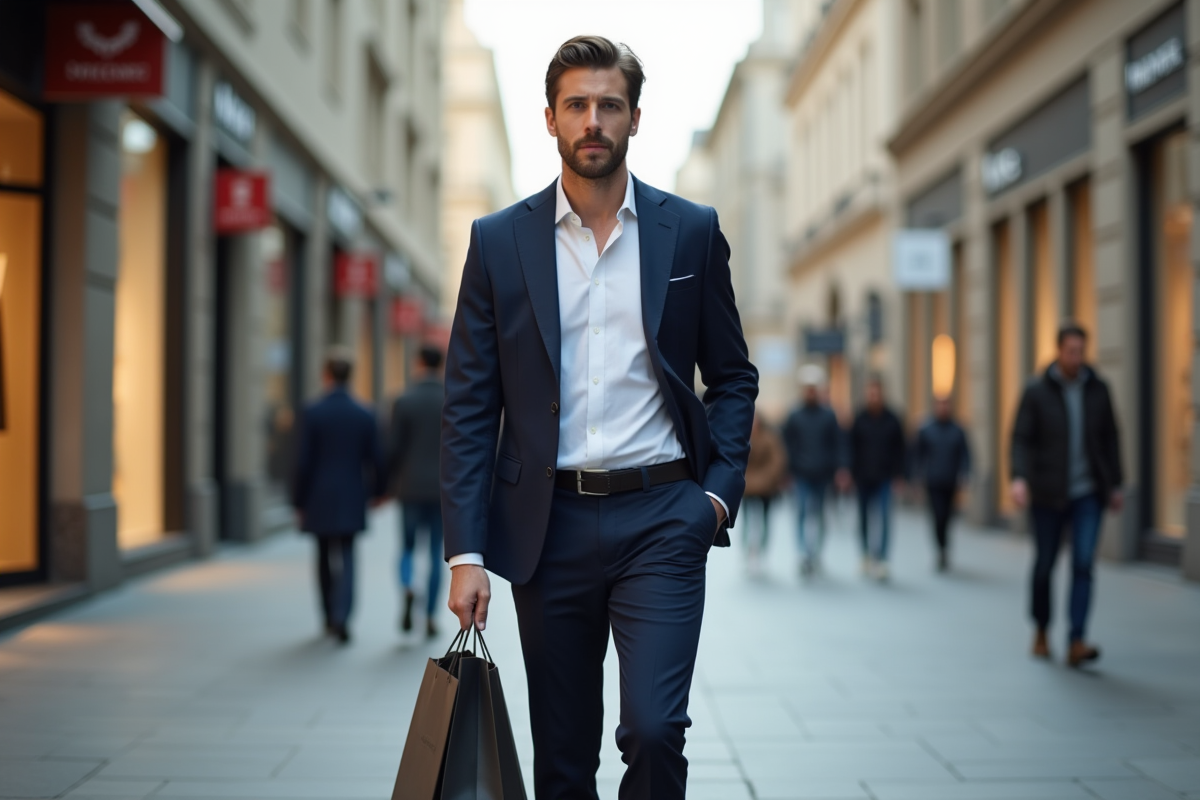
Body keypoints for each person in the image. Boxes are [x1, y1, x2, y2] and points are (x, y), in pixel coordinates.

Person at [440, 36, 757, 800]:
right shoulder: (497, 242)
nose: (593, 121)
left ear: (635, 119)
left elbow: (733, 377)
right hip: (547, 527)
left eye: (608, 105)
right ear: (549, 118)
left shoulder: (690, 230)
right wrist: (466, 553)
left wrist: (714, 496)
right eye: (576, 105)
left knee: (653, 729)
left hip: (663, 517)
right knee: (563, 756)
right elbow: (470, 405)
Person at [1011, 322, 1123, 668]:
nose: (1077, 357)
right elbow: (1020, 438)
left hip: (1087, 492)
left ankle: (1077, 639)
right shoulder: (1036, 390)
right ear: (1059, 350)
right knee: (1045, 564)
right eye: (1071, 351)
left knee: (1084, 564)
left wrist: (1116, 483)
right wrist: (1019, 478)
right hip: (1047, 492)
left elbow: (1111, 438)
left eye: (1081, 351)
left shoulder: (1098, 389)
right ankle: (1042, 629)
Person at [291, 348, 386, 644]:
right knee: (347, 555)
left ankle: (328, 615)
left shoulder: (313, 411)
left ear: (327, 374)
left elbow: (302, 461)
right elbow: (376, 459)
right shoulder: (365, 412)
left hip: (319, 494)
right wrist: (377, 492)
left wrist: (298, 500)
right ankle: (343, 616)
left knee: (322, 555)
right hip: (351, 493)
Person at [388, 345, 446, 638]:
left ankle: (409, 587)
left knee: (408, 548)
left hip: (409, 488)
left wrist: (385, 485)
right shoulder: (451, 399)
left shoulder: (404, 400)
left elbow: (392, 448)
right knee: (437, 552)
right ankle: (432, 615)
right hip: (442, 490)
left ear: (419, 363)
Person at [782, 365, 849, 576]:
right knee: (802, 513)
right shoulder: (794, 415)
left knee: (819, 515)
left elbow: (838, 443)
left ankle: (816, 553)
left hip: (822, 473)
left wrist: (841, 468)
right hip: (801, 473)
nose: (810, 392)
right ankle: (804, 554)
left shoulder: (829, 415)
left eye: (813, 388)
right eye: (807, 388)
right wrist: (787, 472)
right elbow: (787, 445)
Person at [849, 377, 906, 581]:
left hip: (885, 477)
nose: (874, 396)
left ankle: (881, 559)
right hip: (863, 476)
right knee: (863, 518)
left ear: (882, 394)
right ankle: (865, 554)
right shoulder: (859, 418)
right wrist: (848, 472)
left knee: (884, 518)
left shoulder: (893, 419)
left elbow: (901, 449)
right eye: (870, 392)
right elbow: (851, 447)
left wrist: (900, 476)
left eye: (877, 392)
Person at [914, 396, 971, 572]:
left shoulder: (957, 430)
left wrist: (965, 473)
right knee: (937, 516)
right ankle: (940, 549)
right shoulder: (927, 429)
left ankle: (944, 547)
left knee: (947, 516)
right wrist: (917, 475)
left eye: (946, 405)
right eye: (940, 405)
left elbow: (965, 454)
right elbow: (918, 454)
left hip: (951, 480)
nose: (943, 408)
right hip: (933, 481)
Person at [740, 412, 786, 573]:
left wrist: (765, 480)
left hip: (765, 488)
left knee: (765, 521)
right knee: (746, 522)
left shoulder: (769, 438)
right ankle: (748, 553)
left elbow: (777, 461)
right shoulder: (742, 436)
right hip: (747, 487)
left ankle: (762, 553)